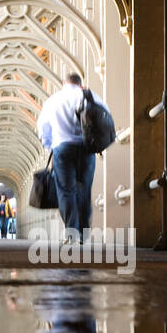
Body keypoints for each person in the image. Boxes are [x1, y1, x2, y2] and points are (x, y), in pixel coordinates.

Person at [36, 72, 111, 241]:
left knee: (66, 191)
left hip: (62, 149)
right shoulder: (91, 96)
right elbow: (105, 117)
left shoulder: (54, 100)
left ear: (64, 84)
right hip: (87, 148)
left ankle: (72, 234)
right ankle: (84, 234)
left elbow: (43, 128)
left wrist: (50, 145)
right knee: (84, 190)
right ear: (80, 84)